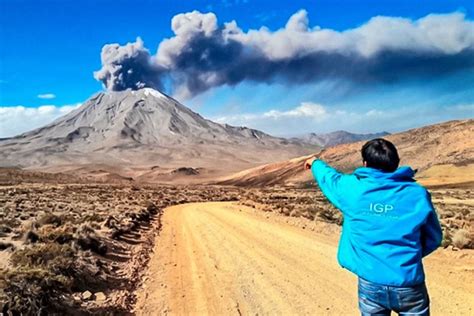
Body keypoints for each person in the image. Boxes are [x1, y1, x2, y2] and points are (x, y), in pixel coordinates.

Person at [304, 138, 442, 316]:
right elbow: (434, 237)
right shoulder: (417, 194)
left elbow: (329, 178)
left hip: (370, 282)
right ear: (396, 163)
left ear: (365, 163)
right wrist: (408, 254)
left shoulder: (352, 189)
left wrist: (314, 162)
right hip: (409, 282)